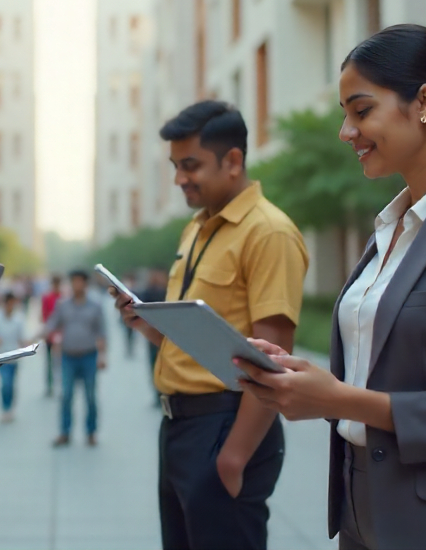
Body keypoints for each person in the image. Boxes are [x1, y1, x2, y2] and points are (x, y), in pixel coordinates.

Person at [234, 24, 426, 550]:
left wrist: (343, 399)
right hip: (363, 513)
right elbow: (379, 372)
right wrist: (304, 382)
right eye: (344, 115)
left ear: (425, 102)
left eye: (361, 111)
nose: (346, 132)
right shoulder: (391, 228)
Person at [113, 100, 308, 550]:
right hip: (179, 430)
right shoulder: (197, 229)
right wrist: (141, 322)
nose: (180, 177)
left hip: (225, 426)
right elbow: (190, 336)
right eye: (175, 166)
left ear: (234, 161)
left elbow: (273, 358)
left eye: (191, 165)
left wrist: (233, 457)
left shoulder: (269, 232)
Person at [44, 270, 106, 447]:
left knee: (90, 396)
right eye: (73, 282)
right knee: (66, 395)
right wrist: (34, 338)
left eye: (80, 282)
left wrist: (103, 356)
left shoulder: (95, 306)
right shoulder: (63, 305)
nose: (76, 285)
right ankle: (65, 432)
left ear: (85, 284)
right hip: (68, 357)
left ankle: (91, 432)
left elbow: (101, 333)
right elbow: (51, 324)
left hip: (88, 356)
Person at [0, 292, 28, 423]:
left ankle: (10, 407)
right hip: (1, 356)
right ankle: (5, 408)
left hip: (14, 357)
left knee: (11, 384)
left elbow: (22, 338)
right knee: (5, 383)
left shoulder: (19, 319)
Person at [139, 268, 170, 402]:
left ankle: (165, 392)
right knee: (154, 364)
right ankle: (157, 394)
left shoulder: (169, 292)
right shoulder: (148, 292)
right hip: (153, 333)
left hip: (169, 334)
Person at [40, 273, 64, 397]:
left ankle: (61, 384)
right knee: (49, 361)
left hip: (61, 335)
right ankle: (49, 385)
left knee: (60, 361)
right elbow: (45, 315)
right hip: (50, 333)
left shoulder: (64, 298)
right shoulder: (47, 298)